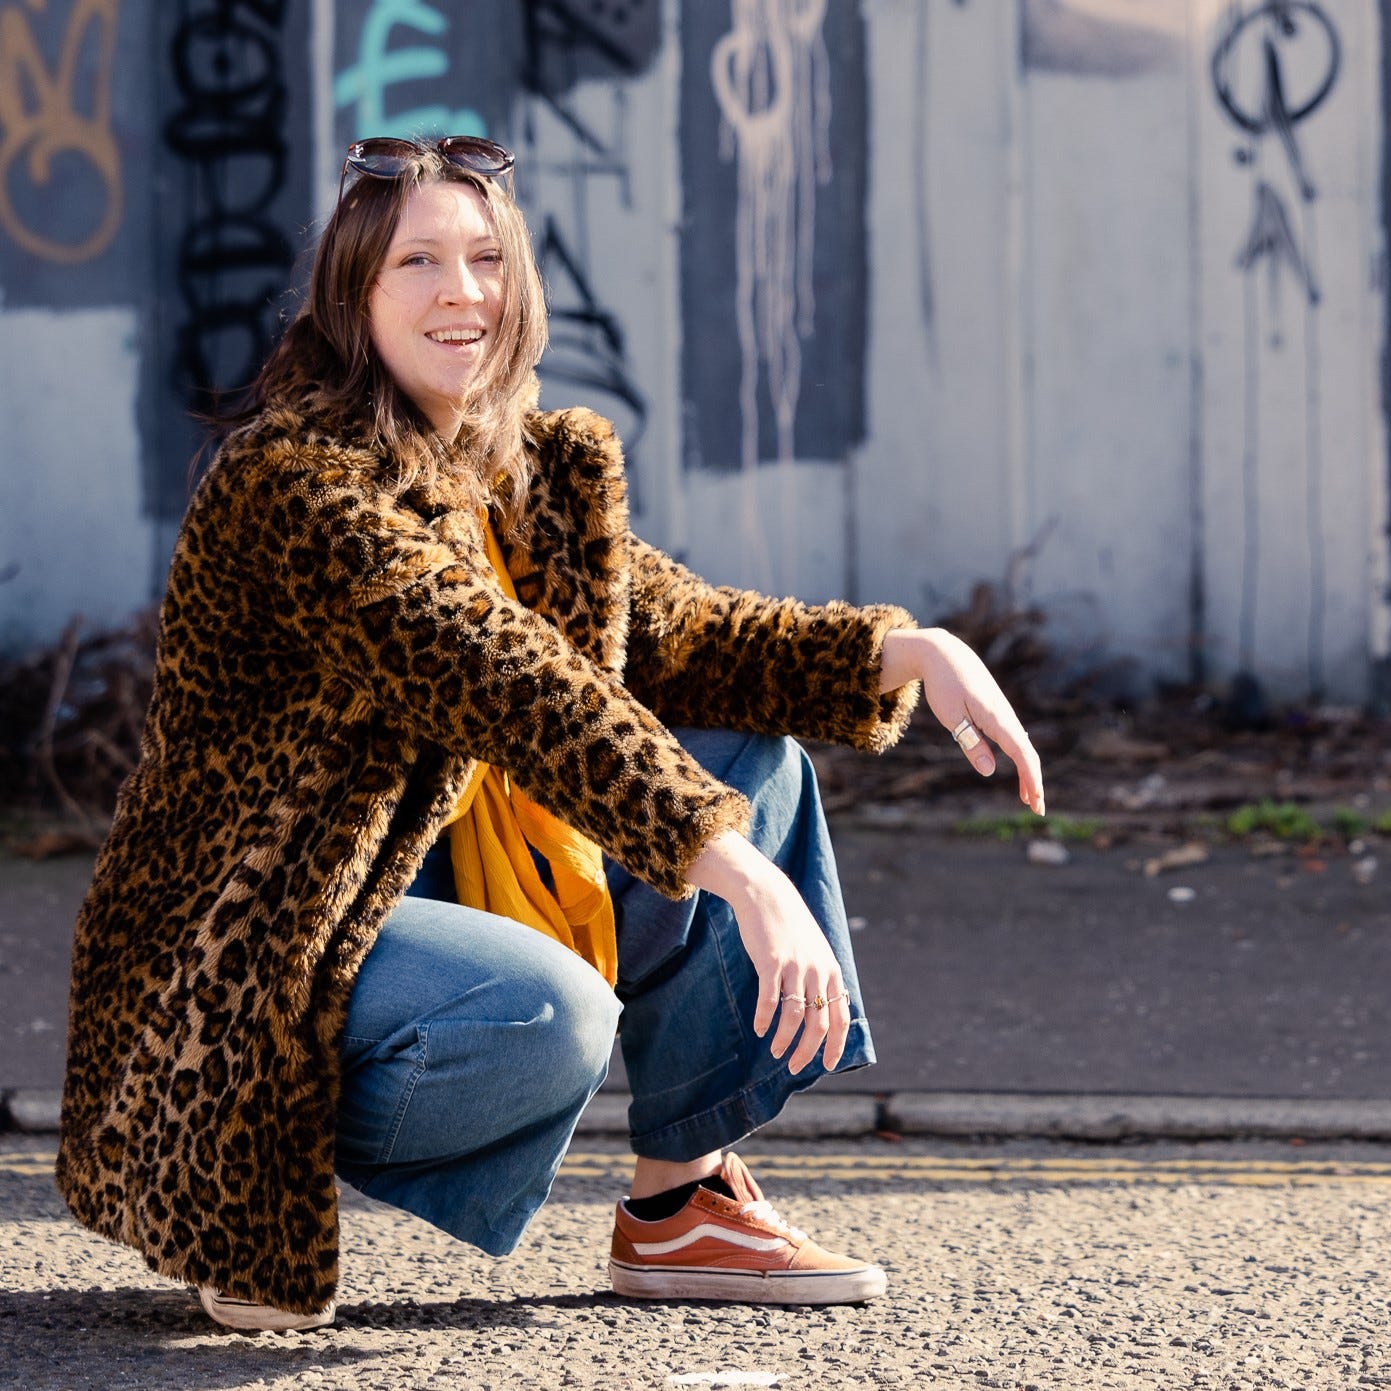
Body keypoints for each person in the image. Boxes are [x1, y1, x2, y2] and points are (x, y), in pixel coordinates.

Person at [56, 135, 1045, 1332]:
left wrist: (907, 648)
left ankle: (682, 1203)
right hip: (263, 934)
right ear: (352, 295)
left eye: (484, 258)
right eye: (416, 260)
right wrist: (730, 868)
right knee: (544, 1013)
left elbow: (676, 630)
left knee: (753, 762)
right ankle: (247, 1172)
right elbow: (506, 680)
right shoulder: (296, 483)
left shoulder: (525, 471)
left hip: (414, 873)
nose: (459, 291)